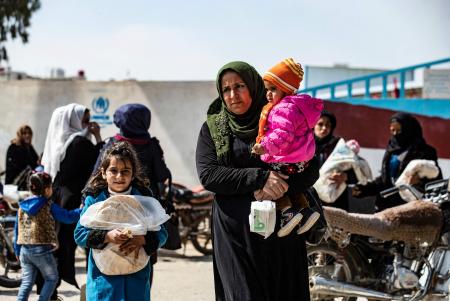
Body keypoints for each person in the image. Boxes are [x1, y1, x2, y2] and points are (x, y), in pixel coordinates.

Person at [196, 61, 318, 300]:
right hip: (236, 234)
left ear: (255, 86)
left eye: (239, 86)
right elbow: (209, 174)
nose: (233, 95)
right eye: (226, 89)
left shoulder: (282, 118)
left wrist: (279, 187)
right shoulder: (213, 128)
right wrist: (260, 179)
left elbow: (311, 168)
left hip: (282, 232)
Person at [74, 141, 167, 301]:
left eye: (125, 171)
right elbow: (80, 234)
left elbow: (162, 233)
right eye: (113, 170)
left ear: (133, 174)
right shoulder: (94, 200)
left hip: (136, 278)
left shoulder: (144, 199)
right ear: (103, 172)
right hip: (103, 280)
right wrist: (107, 236)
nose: (119, 176)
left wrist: (143, 239)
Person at [93, 103, 171, 286]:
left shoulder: (113, 144)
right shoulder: (151, 145)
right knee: (143, 258)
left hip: (110, 211)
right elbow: (162, 175)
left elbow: (95, 175)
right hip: (145, 211)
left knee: (109, 258)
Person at [251, 58, 323, 236]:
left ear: (286, 89)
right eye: (266, 89)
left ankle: (287, 213)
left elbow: (283, 135)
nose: (268, 94)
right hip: (301, 161)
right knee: (289, 186)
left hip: (287, 160)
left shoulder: (283, 109)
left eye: (273, 89)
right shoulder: (298, 106)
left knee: (268, 181)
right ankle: (305, 212)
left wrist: (264, 147)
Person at [40, 103, 103, 298]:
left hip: (58, 198)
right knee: (87, 245)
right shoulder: (79, 144)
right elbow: (100, 163)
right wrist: (98, 137)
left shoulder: (59, 144)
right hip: (76, 201)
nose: (88, 123)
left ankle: (50, 291)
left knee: (57, 247)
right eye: (84, 120)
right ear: (72, 121)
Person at [353, 112, 441, 211]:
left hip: (410, 207)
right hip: (386, 205)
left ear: (409, 130)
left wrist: (419, 181)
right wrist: (364, 189)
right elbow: (385, 179)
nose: (395, 134)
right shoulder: (391, 150)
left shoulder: (424, 151)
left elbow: (435, 176)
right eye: (392, 130)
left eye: (399, 131)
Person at [14, 172, 81, 301]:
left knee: (27, 282)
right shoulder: (49, 205)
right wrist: (82, 210)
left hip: (24, 250)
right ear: (47, 189)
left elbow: (18, 230)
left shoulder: (22, 207)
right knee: (52, 278)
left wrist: (17, 249)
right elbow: (67, 217)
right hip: (41, 251)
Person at [314, 110, 358, 211]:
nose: (324, 128)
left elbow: (357, 170)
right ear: (313, 125)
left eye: (328, 125)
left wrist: (346, 176)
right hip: (312, 199)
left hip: (335, 200)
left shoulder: (340, 146)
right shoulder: (305, 146)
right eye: (320, 124)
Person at [5, 125, 39, 190]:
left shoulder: (29, 148)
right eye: (24, 133)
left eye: (29, 133)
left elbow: (36, 162)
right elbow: (20, 166)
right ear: (20, 135)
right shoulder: (14, 147)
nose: (27, 135)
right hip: (13, 183)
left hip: (25, 179)